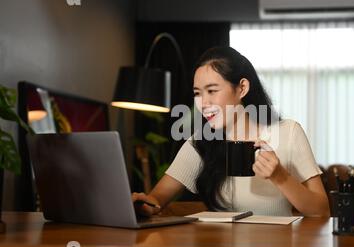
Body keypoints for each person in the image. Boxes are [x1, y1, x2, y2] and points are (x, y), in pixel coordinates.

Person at [132, 46, 330, 217]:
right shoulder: (201, 142)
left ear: (242, 88)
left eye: (212, 91)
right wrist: (145, 204)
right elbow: (157, 198)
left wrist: (280, 176)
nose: (204, 103)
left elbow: (321, 211)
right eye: (197, 93)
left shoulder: (288, 133)